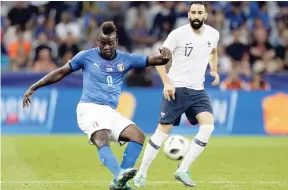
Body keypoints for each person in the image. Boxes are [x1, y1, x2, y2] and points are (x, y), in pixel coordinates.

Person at [22, 21, 171, 190]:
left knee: (138, 136)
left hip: (109, 112)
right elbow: (61, 72)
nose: (106, 47)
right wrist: (35, 86)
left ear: (116, 42)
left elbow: (156, 60)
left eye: (110, 43)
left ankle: (119, 181)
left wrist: (166, 56)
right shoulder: (85, 56)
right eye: (102, 43)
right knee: (102, 138)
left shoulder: (126, 59)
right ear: (97, 42)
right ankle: (119, 176)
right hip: (89, 108)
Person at [134, 2, 220, 188]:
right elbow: (159, 60)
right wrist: (167, 83)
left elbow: (213, 51)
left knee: (208, 127)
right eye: (193, 12)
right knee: (162, 132)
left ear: (205, 15)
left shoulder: (213, 34)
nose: (196, 16)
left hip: (198, 90)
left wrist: (213, 69)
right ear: (189, 15)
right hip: (177, 88)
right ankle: (141, 173)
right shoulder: (178, 35)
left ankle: (182, 170)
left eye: (200, 13)